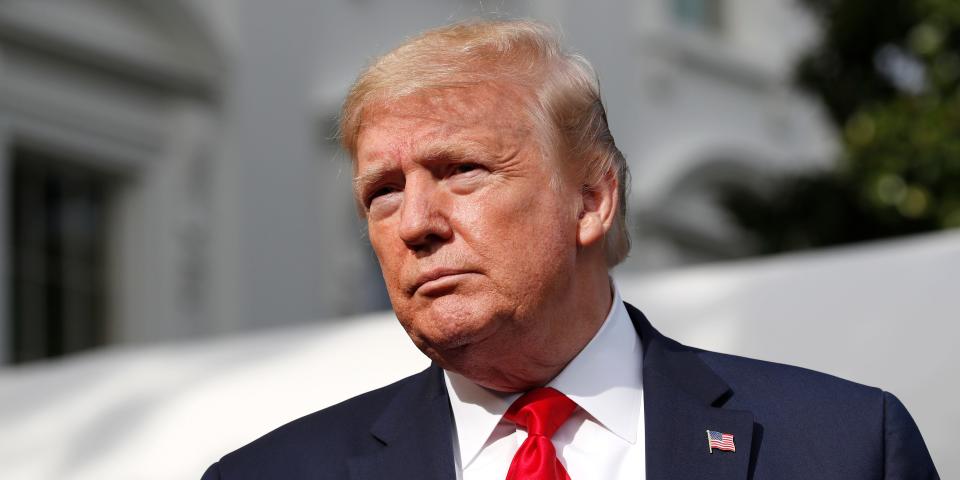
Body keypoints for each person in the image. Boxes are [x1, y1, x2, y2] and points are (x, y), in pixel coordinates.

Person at [201, 19, 939, 479]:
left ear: (592, 199)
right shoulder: (272, 473)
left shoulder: (841, 449)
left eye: (462, 170)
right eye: (383, 192)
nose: (415, 222)